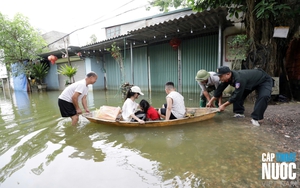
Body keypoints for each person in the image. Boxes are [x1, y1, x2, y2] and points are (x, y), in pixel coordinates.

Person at [206, 66, 273, 126]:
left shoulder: (239, 79)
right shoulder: (227, 78)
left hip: (263, 80)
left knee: (264, 96)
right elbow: (219, 90)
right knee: (237, 93)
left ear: (228, 74)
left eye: (220, 76)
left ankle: (256, 118)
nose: (219, 78)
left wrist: (224, 105)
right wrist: (210, 101)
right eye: (219, 76)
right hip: (249, 83)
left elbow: (237, 95)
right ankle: (239, 113)